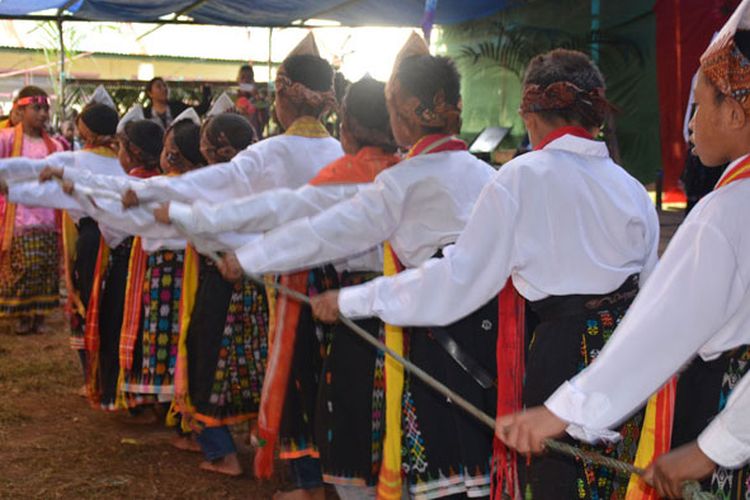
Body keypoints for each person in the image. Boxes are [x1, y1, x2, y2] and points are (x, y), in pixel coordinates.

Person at [307, 48, 660, 499]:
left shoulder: (521, 177)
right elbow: (650, 293)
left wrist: (352, 300)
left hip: (561, 353)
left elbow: (458, 280)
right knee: (607, 483)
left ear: (530, 115)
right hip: (622, 358)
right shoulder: (630, 188)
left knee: (555, 484)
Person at [217, 33, 499, 500]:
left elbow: (325, 233)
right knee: (474, 464)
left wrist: (249, 259)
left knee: (432, 458)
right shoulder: (491, 176)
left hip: (431, 335)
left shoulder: (400, 182)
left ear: (406, 110)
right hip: (485, 338)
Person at [494, 3, 750, 498]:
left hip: (723, 403)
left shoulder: (725, 212)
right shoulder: (633, 187)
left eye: (698, 107)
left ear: (736, 112)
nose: (689, 126)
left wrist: (562, 411)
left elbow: (665, 325)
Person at [161, 76, 398, 498]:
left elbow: (289, 218)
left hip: (315, 286)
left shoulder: (286, 158)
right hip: (393, 295)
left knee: (310, 383)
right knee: (372, 399)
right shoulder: (401, 170)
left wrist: (230, 247)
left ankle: (317, 482)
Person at [0, 86, 63, 335]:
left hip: (47, 216)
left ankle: (38, 315)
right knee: (24, 266)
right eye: (36, 108)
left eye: (45, 109)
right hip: (18, 215)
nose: (42, 114)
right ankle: (23, 315)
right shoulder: (6, 139)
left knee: (44, 266)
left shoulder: (56, 146)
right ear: (20, 109)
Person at [143, 77, 211, 130]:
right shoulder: (145, 114)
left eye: (165, 86)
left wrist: (206, 93)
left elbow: (200, 110)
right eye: (159, 87)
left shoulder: (177, 107)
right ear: (150, 93)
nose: (164, 89)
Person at [236, 64, 270, 139]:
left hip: (254, 140)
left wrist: (257, 98)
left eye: (249, 78)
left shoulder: (259, 101)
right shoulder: (233, 98)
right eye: (243, 78)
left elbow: (264, 121)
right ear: (238, 80)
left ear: (253, 81)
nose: (246, 81)